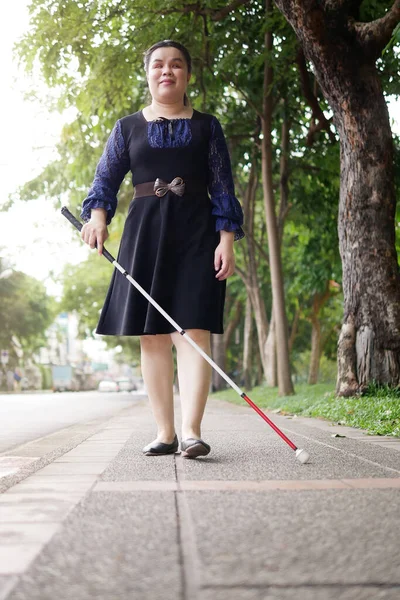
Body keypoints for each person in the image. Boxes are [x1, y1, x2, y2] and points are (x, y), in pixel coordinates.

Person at [80, 40, 244, 458]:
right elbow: (104, 182)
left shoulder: (208, 126)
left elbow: (223, 185)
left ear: (188, 74)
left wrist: (227, 239)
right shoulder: (127, 127)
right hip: (145, 233)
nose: (166, 71)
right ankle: (165, 432)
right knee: (152, 336)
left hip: (197, 234)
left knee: (193, 331)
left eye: (176, 65)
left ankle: (192, 432)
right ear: (148, 73)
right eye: (158, 65)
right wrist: (96, 219)